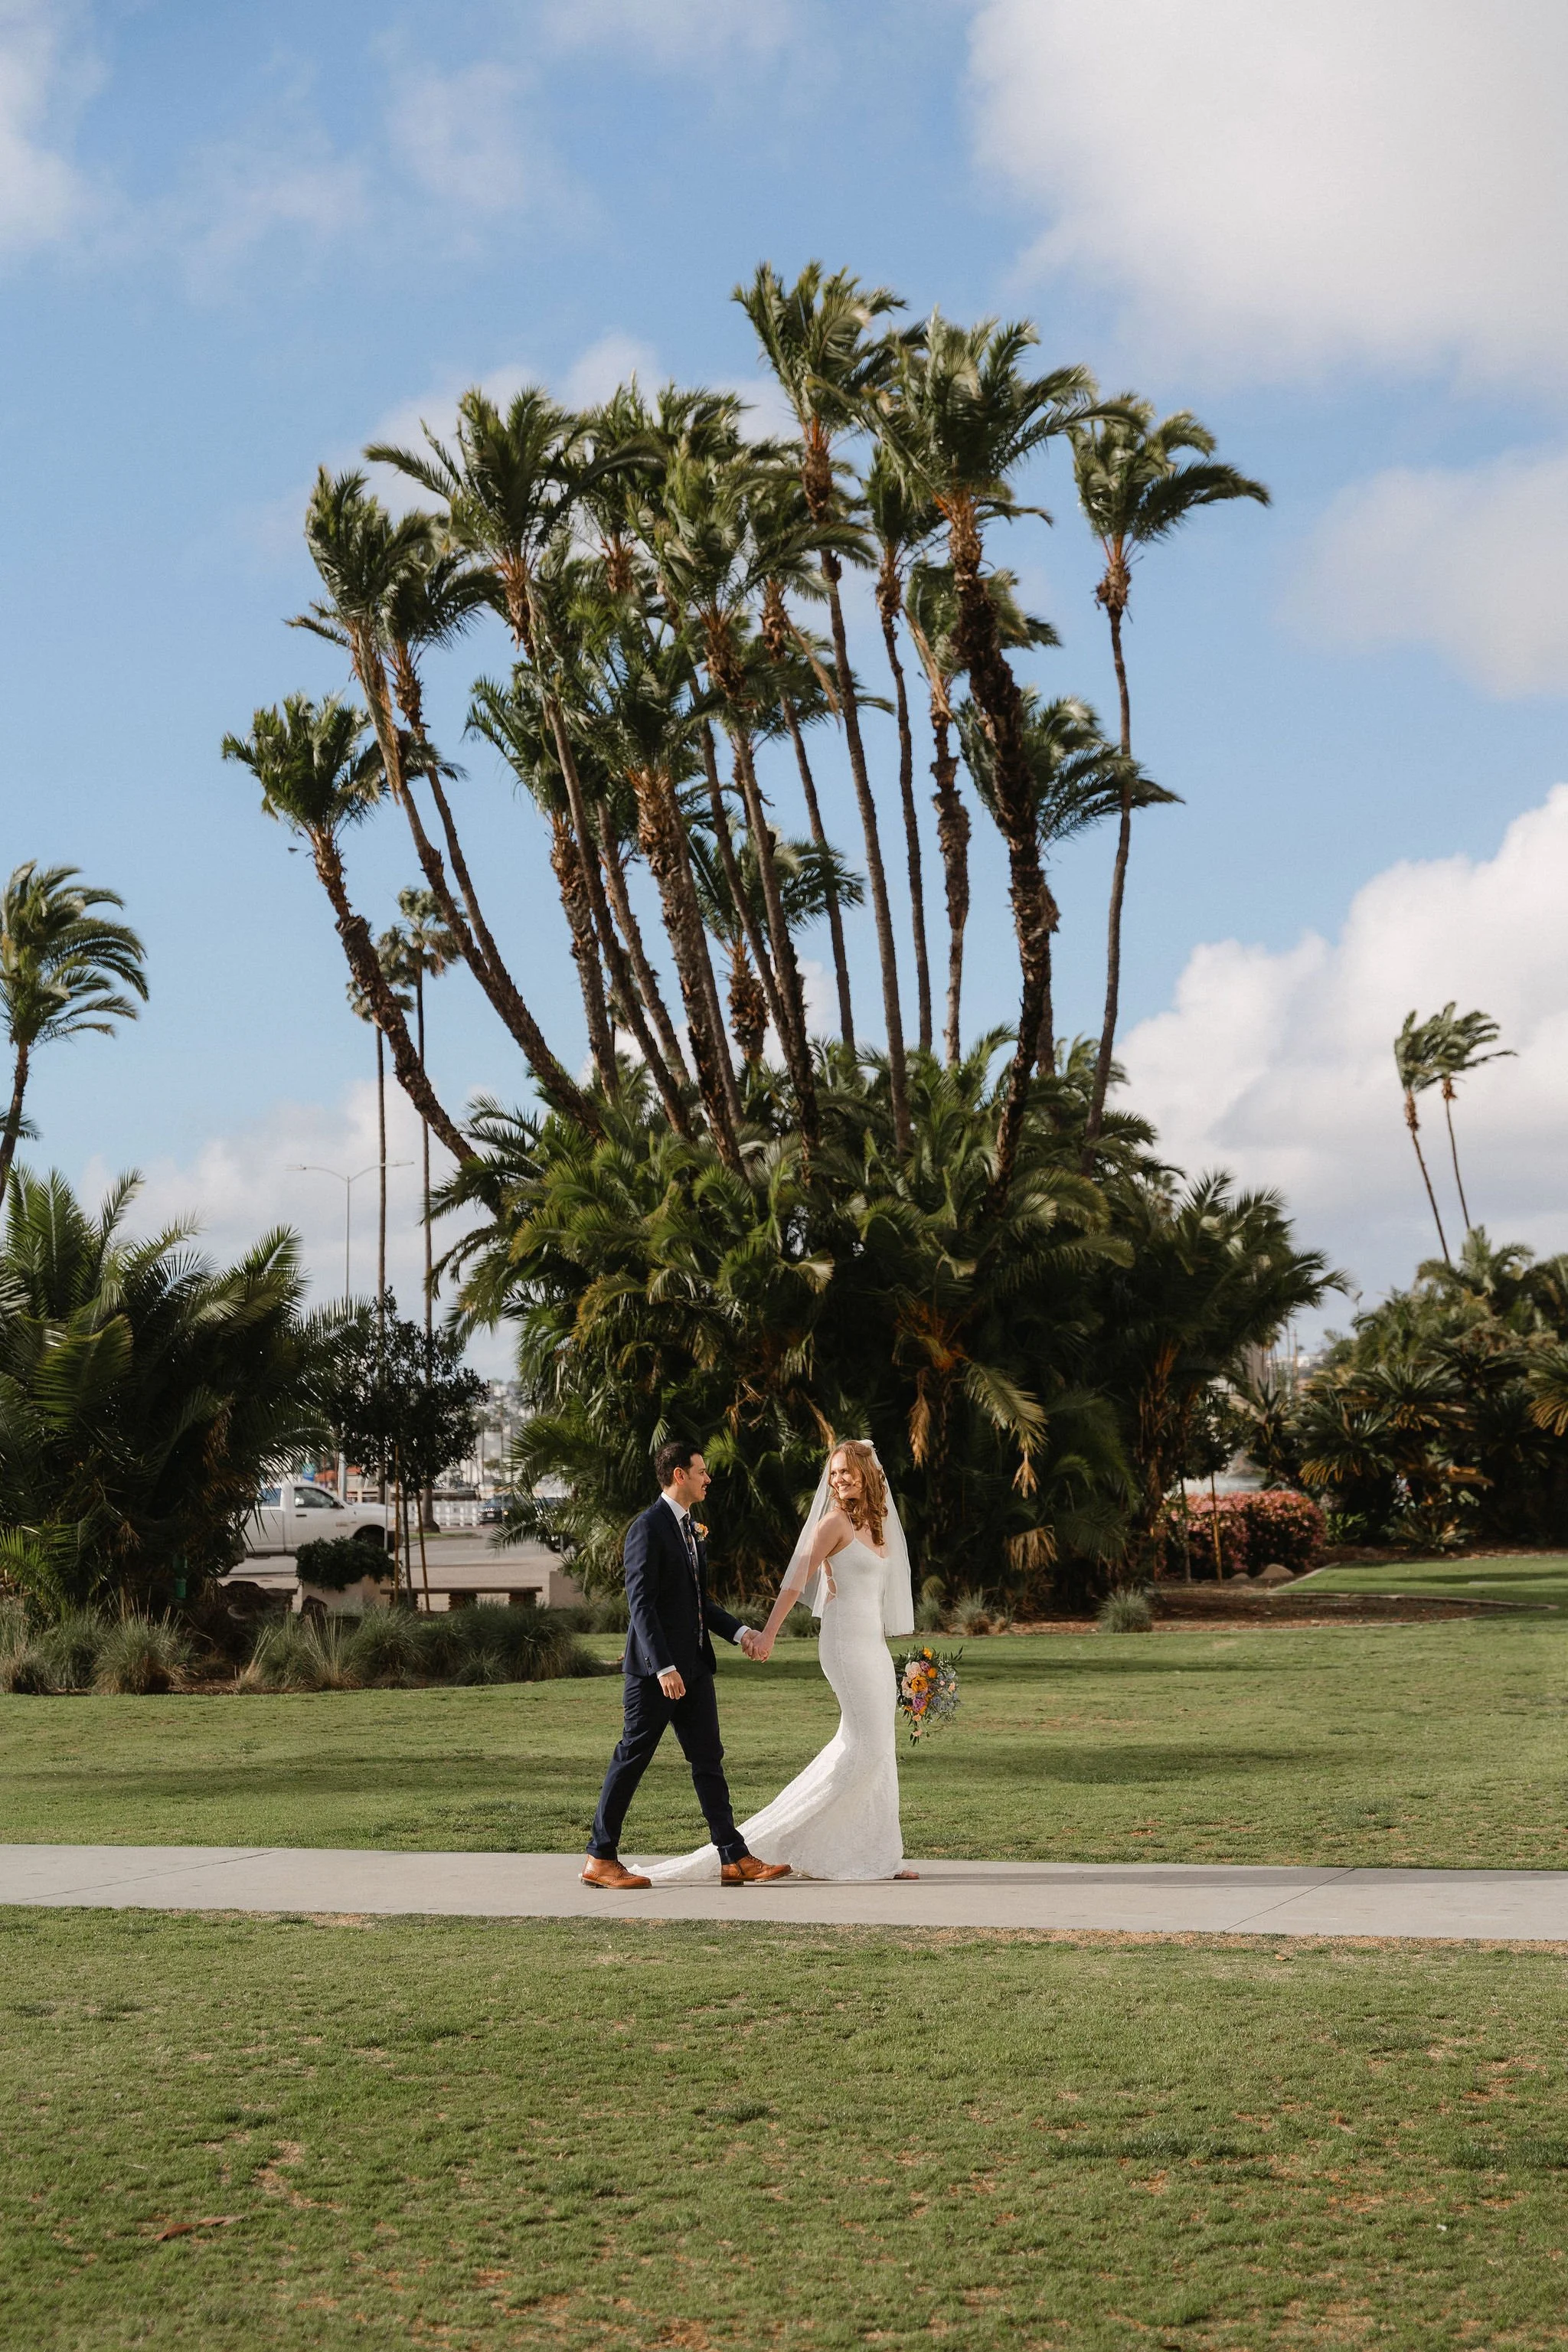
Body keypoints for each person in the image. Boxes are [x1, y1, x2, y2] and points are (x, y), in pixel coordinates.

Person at [639, 1439, 919, 1885]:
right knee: (867, 1748)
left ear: (869, 1473)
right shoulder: (834, 1522)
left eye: (846, 1472)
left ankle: (880, 1856)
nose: (838, 1480)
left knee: (877, 1746)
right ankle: (791, 1842)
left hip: (875, 1648)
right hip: (845, 1647)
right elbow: (794, 1582)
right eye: (834, 1473)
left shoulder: (880, 1526)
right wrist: (766, 1634)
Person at [581, 1439, 792, 1890]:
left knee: (708, 1760)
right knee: (633, 1756)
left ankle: (733, 1858)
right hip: (656, 1675)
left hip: (695, 1669)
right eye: (701, 1471)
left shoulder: (690, 1528)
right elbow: (642, 1606)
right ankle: (600, 1858)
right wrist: (663, 1667)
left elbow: (701, 1602)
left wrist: (742, 1633)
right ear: (680, 1475)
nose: (707, 1478)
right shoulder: (648, 1528)